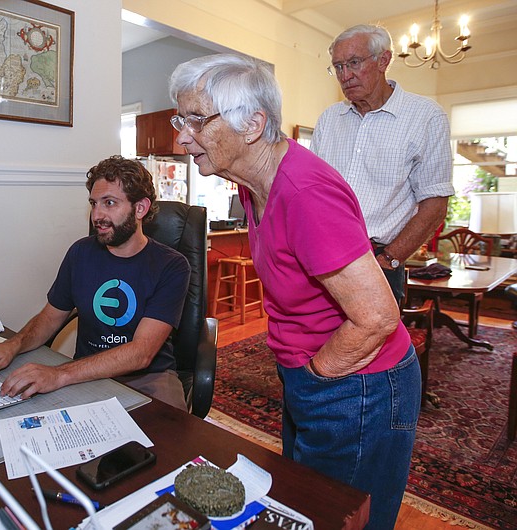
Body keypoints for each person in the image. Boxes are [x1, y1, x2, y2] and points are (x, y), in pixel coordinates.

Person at [169, 53, 419, 530]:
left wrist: (316, 378)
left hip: (357, 385)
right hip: (317, 374)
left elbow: (377, 317)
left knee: (338, 518)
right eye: (182, 120)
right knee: (305, 507)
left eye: (196, 120)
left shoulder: (305, 193)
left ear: (252, 125)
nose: (183, 136)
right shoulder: (252, 183)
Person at [0, 155, 190, 411]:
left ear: (140, 208)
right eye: (94, 203)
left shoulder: (171, 265)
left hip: (150, 379)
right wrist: (13, 345)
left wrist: (59, 374)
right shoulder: (80, 253)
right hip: (85, 374)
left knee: (167, 447)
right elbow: (50, 318)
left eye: (109, 203)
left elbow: (141, 352)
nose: (97, 215)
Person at [311, 24, 454, 303]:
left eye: (353, 63)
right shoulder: (329, 119)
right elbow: (312, 190)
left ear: (384, 61)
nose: (345, 75)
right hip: (323, 256)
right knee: (319, 342)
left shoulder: (425, 117)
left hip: (379, 258)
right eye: (338, 66)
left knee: (375, 346)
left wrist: (389, 259)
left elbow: (435, 205)